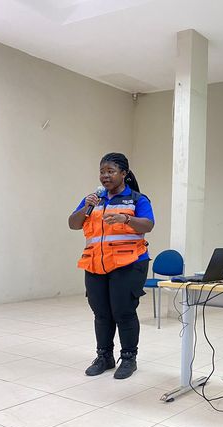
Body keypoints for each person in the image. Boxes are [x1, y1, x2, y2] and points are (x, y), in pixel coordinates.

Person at [68, 153, 154, 379]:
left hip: (129, 263)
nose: (105, 176)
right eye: (102, 172)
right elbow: (73, 224)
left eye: (110, 171)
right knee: (101, 313)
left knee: (123, 312)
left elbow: (148, 225)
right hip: (95, 263)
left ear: (123, 173)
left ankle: (129, 358)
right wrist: (85, 208)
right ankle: (104, 357)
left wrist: (126, 219)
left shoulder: (137, 199)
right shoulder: (93, 200)